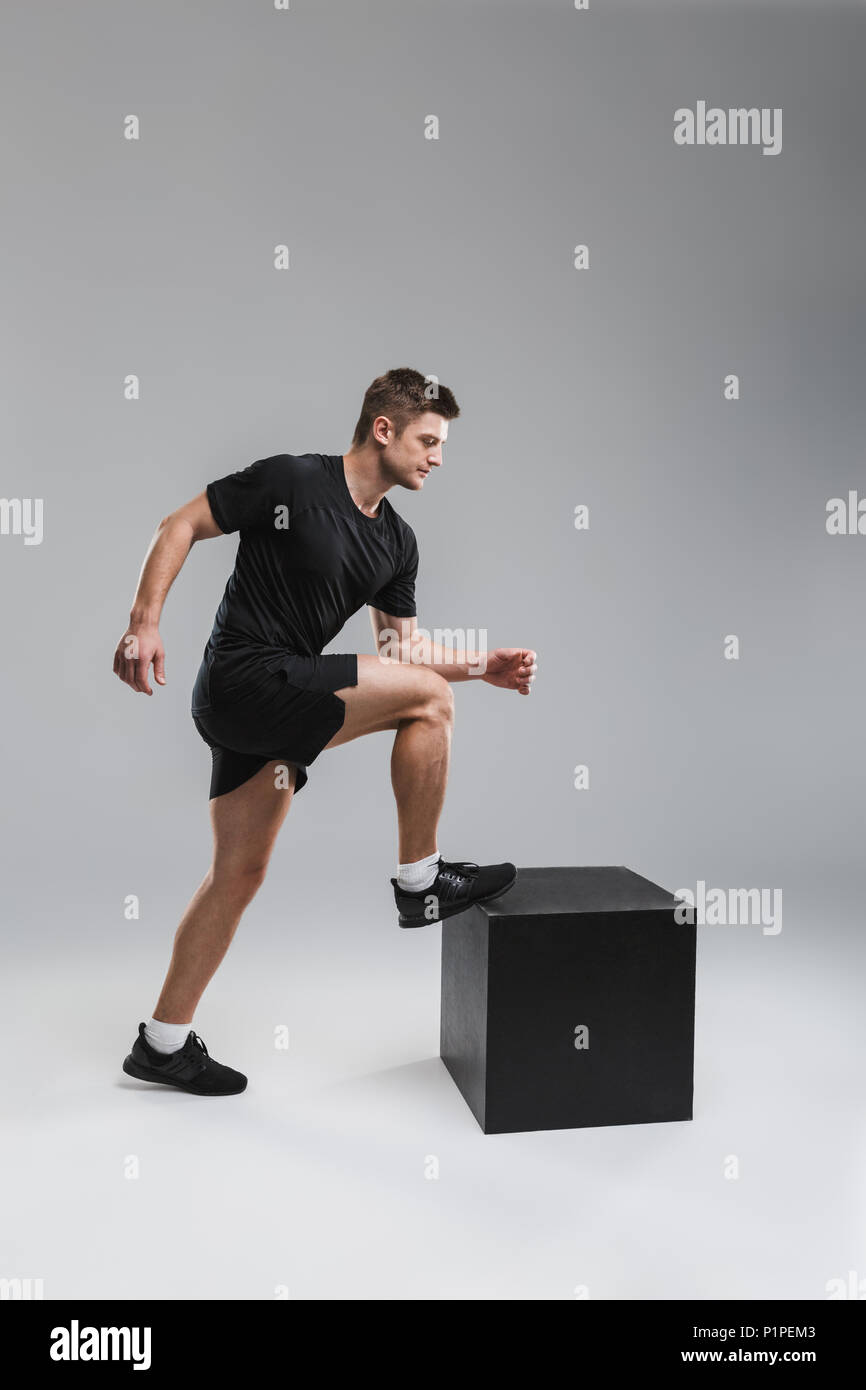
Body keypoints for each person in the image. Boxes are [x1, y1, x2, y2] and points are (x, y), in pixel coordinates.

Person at [113, 367, 538, 1096]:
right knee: (428, 702)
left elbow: (402, 651)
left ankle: (162, 1043)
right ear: (384, 429)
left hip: (272, 704)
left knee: (237, 875)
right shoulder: (291, 481)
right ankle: (421, 881)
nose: (438, 457)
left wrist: (482, 665)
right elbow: (179, 524)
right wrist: (143, 623)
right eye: (429, 440)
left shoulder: (397, 544)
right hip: (245, 678)